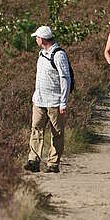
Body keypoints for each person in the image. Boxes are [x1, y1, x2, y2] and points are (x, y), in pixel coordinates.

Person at [25, 25, 71, 174]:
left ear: (43, 39)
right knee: (36, 130)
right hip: (39, 100)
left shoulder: (59, 55)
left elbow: (65, 79)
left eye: (37, 38)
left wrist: (63, 102)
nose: (36, 40)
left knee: (56, 133)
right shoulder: (41, 54)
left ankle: (53, 163)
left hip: (55, 102)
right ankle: (33, 160)